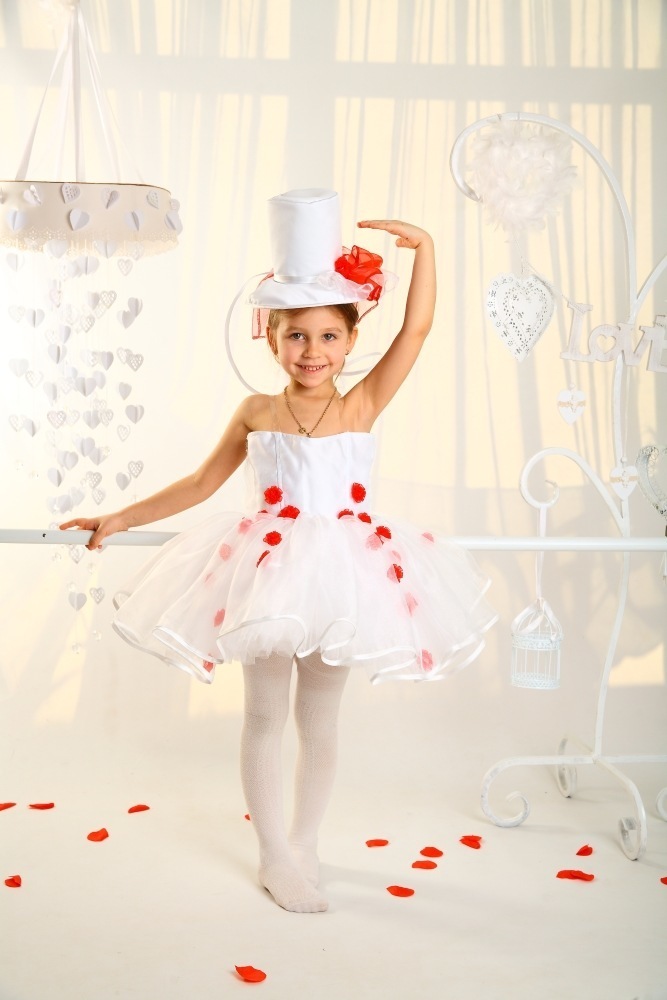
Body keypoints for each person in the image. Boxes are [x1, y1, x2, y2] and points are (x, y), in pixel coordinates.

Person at [61, 189, 496, 914]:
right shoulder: (256, 411)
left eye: (328, 336)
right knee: (264, 716)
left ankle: (305, 843)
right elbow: (201, 482)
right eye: (296, 336)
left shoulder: (360, 404)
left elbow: (416, 330)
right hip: (267, 572)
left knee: (319, 719)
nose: (312, 351)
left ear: (349, 342)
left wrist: (425, 247)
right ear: (270, 337)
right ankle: (272, 855)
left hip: (345, 574)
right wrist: (120, 516)